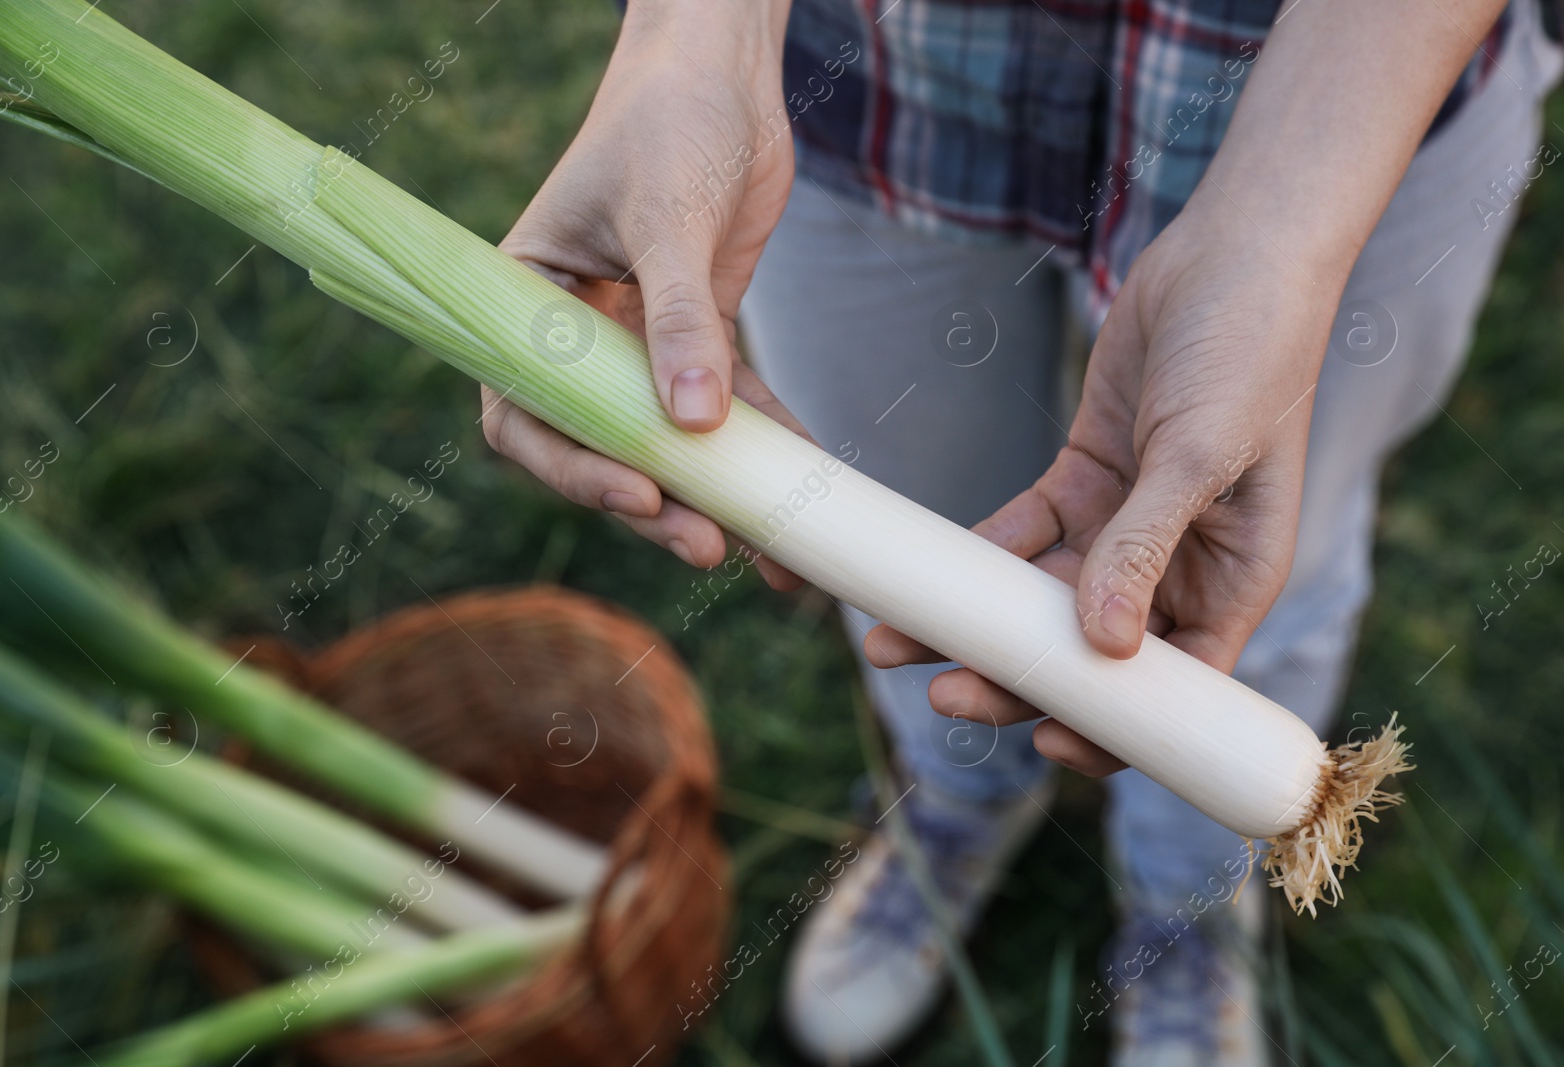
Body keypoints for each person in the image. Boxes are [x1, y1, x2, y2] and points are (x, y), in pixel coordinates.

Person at [482, 0, 1561, 1061]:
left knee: (1245, 557)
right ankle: (952, 799)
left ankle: (1190, 897)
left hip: (1358, 100)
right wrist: (691, 40)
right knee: (895, 510)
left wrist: (1280, 242)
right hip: (872, 69)